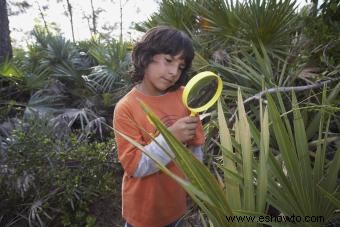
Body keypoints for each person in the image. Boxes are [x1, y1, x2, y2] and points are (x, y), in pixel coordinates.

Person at [113, 26, 205, 227]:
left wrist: (196, 185)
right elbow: (135, 166)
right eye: (169, 60)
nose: (173, 72)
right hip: (143, 214)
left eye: (180, 66)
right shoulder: (126, 108)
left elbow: (196, 146)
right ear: (146, 56)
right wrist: (171, 138)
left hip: (176, 207)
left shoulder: (184, 96)